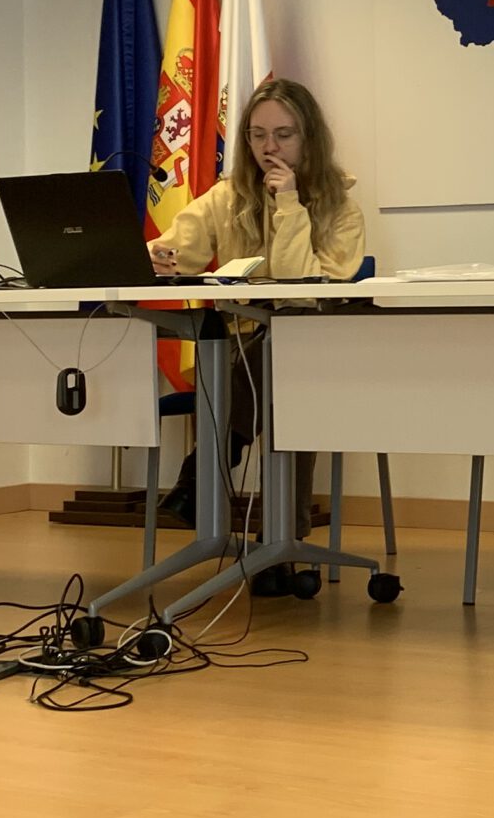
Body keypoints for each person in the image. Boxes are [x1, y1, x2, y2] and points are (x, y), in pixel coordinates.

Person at [148, 77, 366, 535]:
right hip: (239, 346)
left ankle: (205, 472)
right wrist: (159, 256)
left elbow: (299, 284)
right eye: (258, 135)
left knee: (286, 358)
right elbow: (178, 249)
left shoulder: (341, 208)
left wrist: (288, 202)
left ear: (309, 137)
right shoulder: (228, 197)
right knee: (274, 365)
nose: (270, 148)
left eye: (284, 135)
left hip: (318, 348)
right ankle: (282, 541)